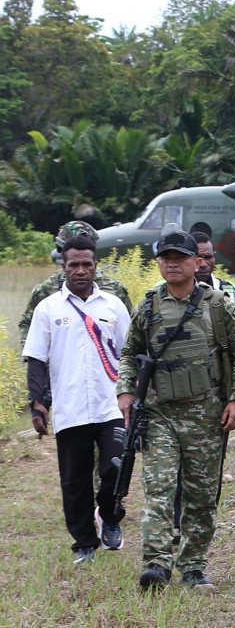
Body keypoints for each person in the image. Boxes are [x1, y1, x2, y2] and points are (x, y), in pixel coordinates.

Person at [115, 227, 235, 591]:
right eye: (166, 257)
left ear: (198, 262)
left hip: (207, 414)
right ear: (159, 262)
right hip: (160, 413)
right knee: (159, 489)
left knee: (200, 495)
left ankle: (193, 567)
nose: (173, 263)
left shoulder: (219, 304)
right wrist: (125, 392)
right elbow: (130, 354)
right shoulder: (147, 306)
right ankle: (157, 565)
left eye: (180, 257)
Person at [22, 235, 131, 565]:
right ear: (63, 267)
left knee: (116, 467)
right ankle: (84, 543)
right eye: (74, 265)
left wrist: (137, 397)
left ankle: (110, 516)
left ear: (95, 266)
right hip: (71, 408)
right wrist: (38, 404)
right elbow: (36, 359)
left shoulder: (112, 305)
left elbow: (131, 353)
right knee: (74, 481)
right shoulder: (48, 309)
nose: (81, 270)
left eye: (87, 264)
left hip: (111, 405)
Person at [19, 221, 132, 345]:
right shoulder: (46, 290)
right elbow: (27, 325)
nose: (80, 271)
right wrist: (37, 356)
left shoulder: (115, 289)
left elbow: (130, 331)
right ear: (62, 253)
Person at [191, 232, 235, 335]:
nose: (203, 264)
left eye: (208, 257)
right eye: (198, 258)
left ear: (214, 256)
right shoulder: (171, 290)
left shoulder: (229, 291)